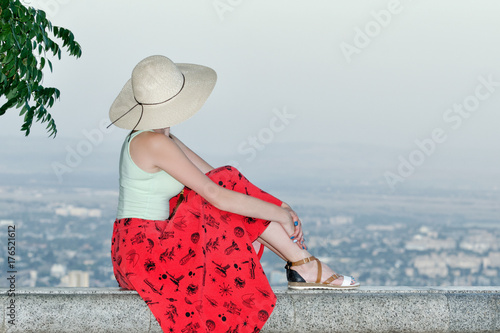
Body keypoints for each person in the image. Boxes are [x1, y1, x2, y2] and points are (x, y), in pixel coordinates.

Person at [109, 55, 359, 333]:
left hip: (141, 244)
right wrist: (279, 214)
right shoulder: (152, 141)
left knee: (225, 177)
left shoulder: (159, 137)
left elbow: (213, 175)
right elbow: (215, 193)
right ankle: (304, 264)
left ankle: (302, 263)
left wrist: (279, 204)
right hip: (145, 251)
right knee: (223, 187)